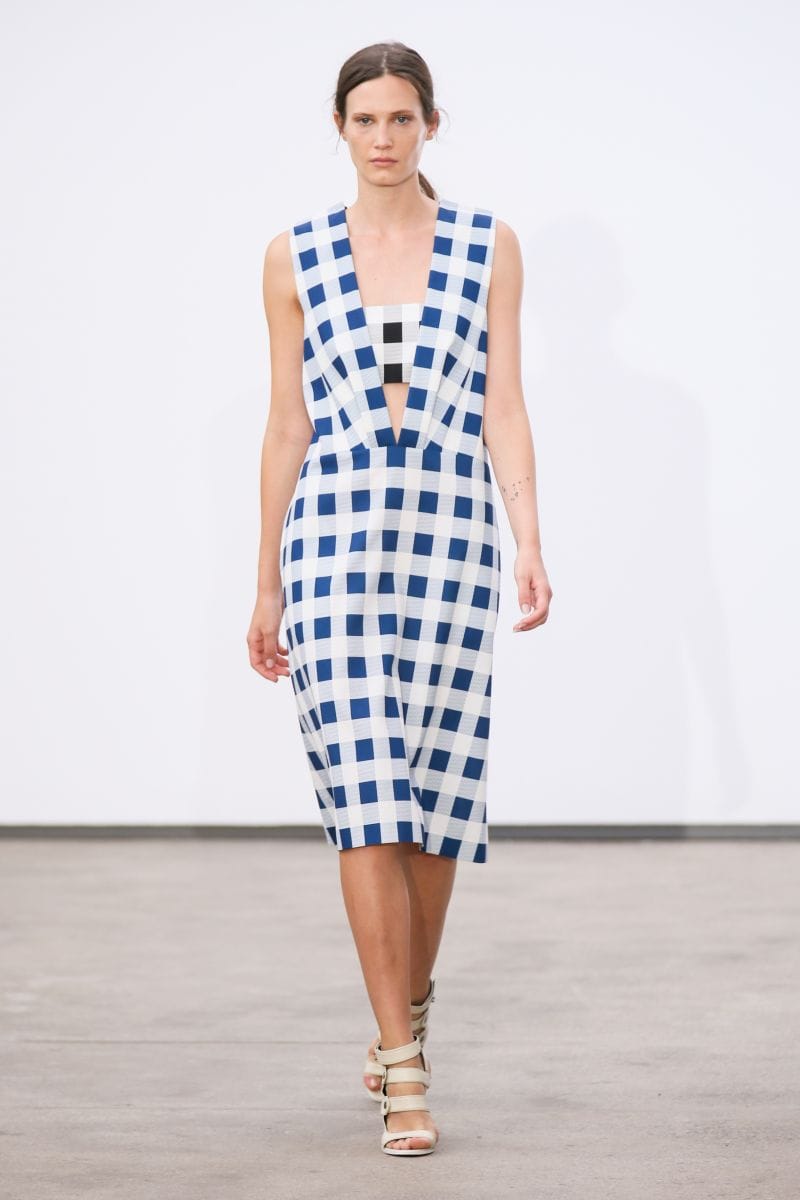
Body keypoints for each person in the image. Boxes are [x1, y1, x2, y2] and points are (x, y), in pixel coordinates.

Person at [247, 41, 552, 1157]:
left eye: (401, 118)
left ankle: (404, 1014)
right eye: (365, 119)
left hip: (450, 543)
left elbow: (502, 404)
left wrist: (528, 539)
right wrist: (265, 578)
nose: (383, 138)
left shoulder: (485, 245)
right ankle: (404, 1064)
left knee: (433, 809)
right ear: (339, 126)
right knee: (366, 793)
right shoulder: (294, 254)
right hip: (330, 542)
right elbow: (287, 423)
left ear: (431, 124)